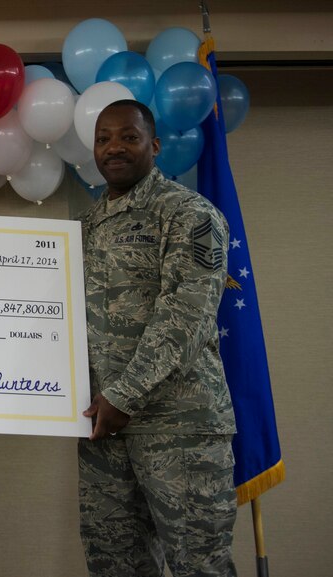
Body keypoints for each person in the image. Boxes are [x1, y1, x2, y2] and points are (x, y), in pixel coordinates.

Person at [76, 99, 238, 576]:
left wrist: (124, 394)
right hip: (103, 432)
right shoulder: (83, 228)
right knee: (114, 565)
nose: (114, 147)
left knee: (199, 566)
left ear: (155, 145)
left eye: (128, 136)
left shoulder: (189, 214)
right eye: (103, 138)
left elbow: (185, 315)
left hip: (178, 429)